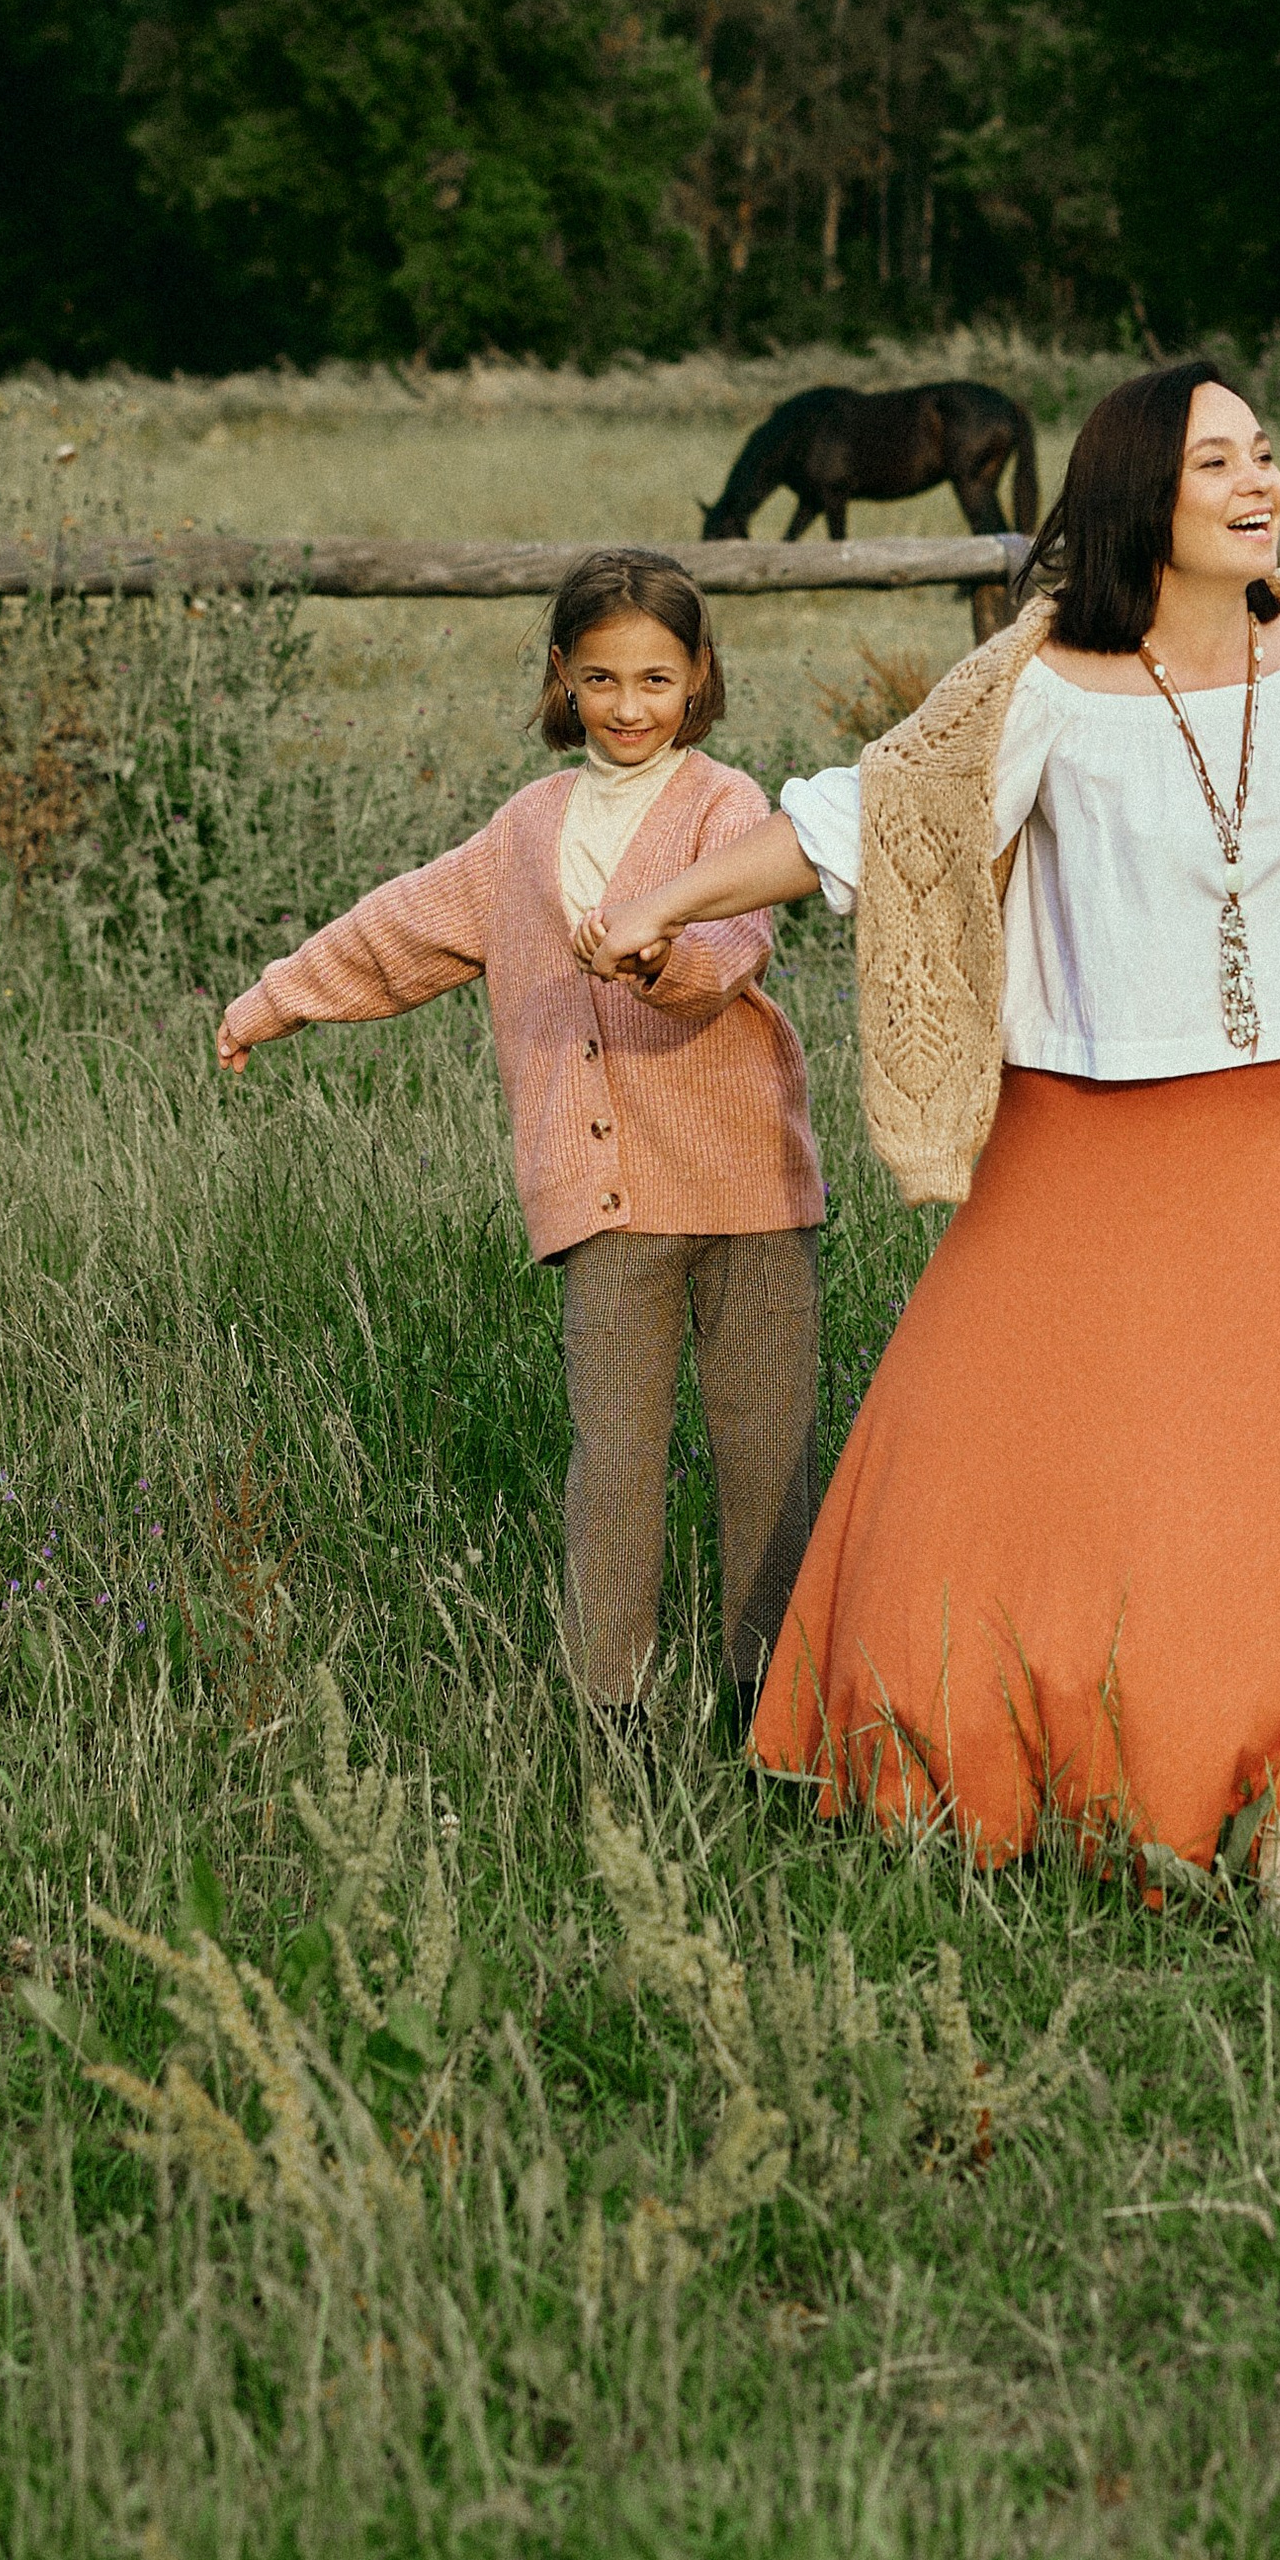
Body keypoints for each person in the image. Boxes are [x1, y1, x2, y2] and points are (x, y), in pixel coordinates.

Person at [575, 363, 1280, 1929]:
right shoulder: (1040, 685)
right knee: (992, 1452)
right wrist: (666, 899)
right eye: (1220, 463)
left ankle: (1279, 1797)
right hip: (1075, 1131)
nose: (1260, 482)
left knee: (1269, 1478)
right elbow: (869, 818)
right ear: (1146, 491)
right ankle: (952, 1747)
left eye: (1266, 455)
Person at [215, 550, 825, 1732]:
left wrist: (664, 956)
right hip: (604, 1205)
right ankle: (618, 1712)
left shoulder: (725, 804)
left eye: (656, 678)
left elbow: (737, 940)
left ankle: (776, 1702)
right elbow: (398, 928)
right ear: (563, 677)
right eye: (601, 679)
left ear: (697, 680)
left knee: (768, 1457)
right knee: (616, 1464)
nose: (629, 705)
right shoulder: (524, 829)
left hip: (749, 1183)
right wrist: (275, 999)